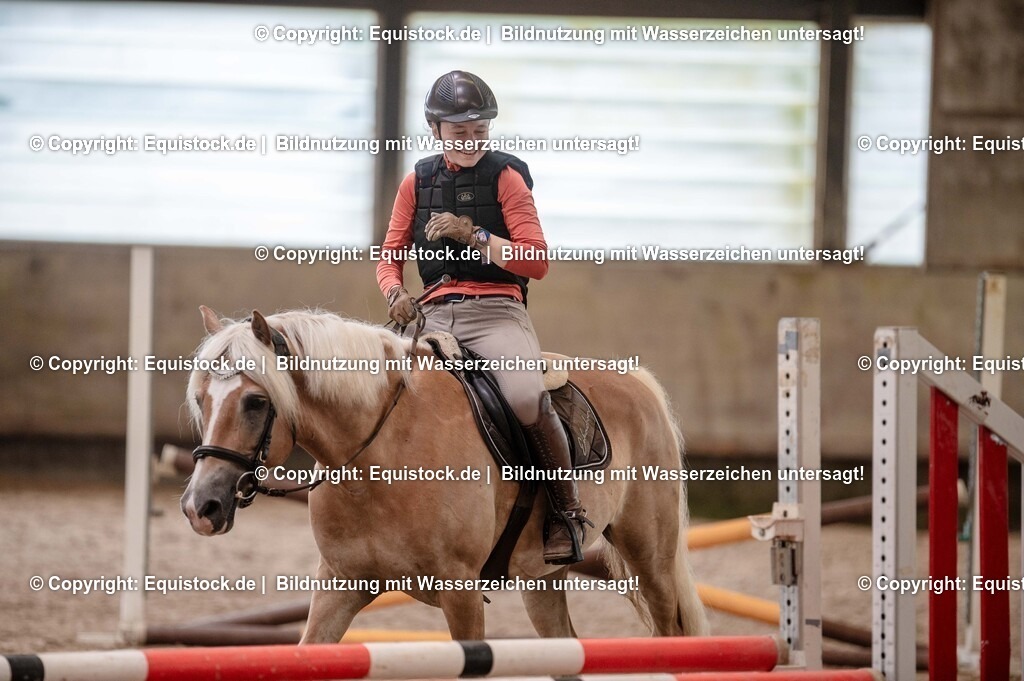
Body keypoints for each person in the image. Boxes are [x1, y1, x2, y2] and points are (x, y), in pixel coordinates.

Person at [376, 70, 591, 565]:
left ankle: (566, 511)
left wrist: (474, 234)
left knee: (522, 395)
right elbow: (389, 255)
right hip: (433, 314)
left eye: (479, 131)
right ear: (436, 130)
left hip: (497, 311)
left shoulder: (506, 177)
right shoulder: (416, 181)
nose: (470, 142)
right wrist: (394, 294)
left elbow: (537, 260)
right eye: (458, 132)